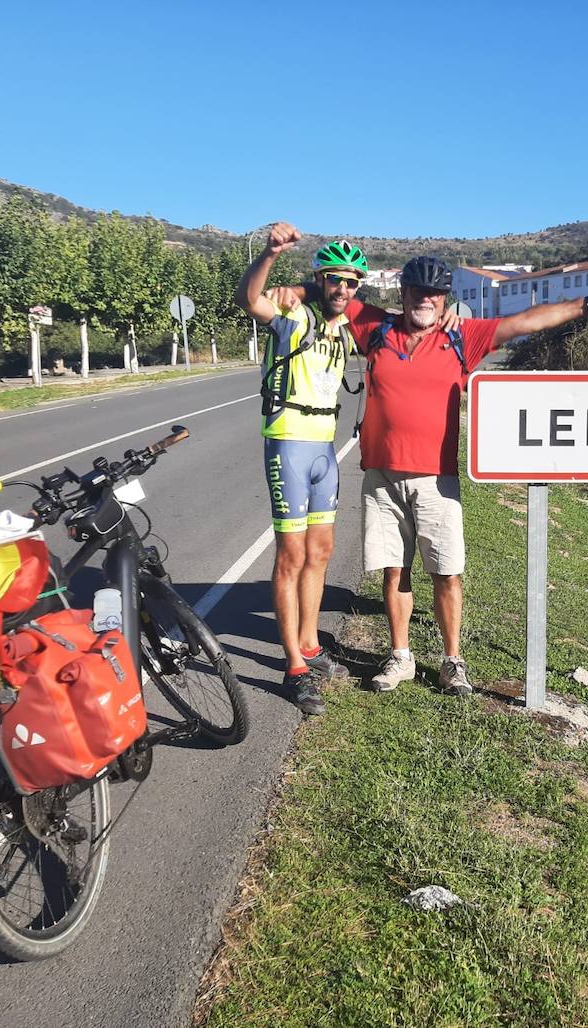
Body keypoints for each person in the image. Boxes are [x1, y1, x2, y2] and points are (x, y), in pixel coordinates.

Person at [286, 253, 588, 696]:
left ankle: (452, 660)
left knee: (446, 572)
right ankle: (401, 656)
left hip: (436, 480)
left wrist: (586, 305)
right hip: (382, 478)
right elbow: (335, 295)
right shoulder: (378, 328)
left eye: (435, 293)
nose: (425, 300)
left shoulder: (465, 336)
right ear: (402, 294)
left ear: (445, 298)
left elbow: (524, 321)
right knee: (394, 571)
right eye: (417, 291)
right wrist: (293, 290)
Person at [234, 222, 365, 715]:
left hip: (324, 450)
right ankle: (293, 666)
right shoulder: (294, 315)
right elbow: (251, 299)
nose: (343, 289)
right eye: (335, 279)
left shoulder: (345, 328)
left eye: (352, 282)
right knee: (290, 555)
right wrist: (269, 256)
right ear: (321, 279)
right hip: (289, 443)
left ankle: (310, 643)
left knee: (321, 550)